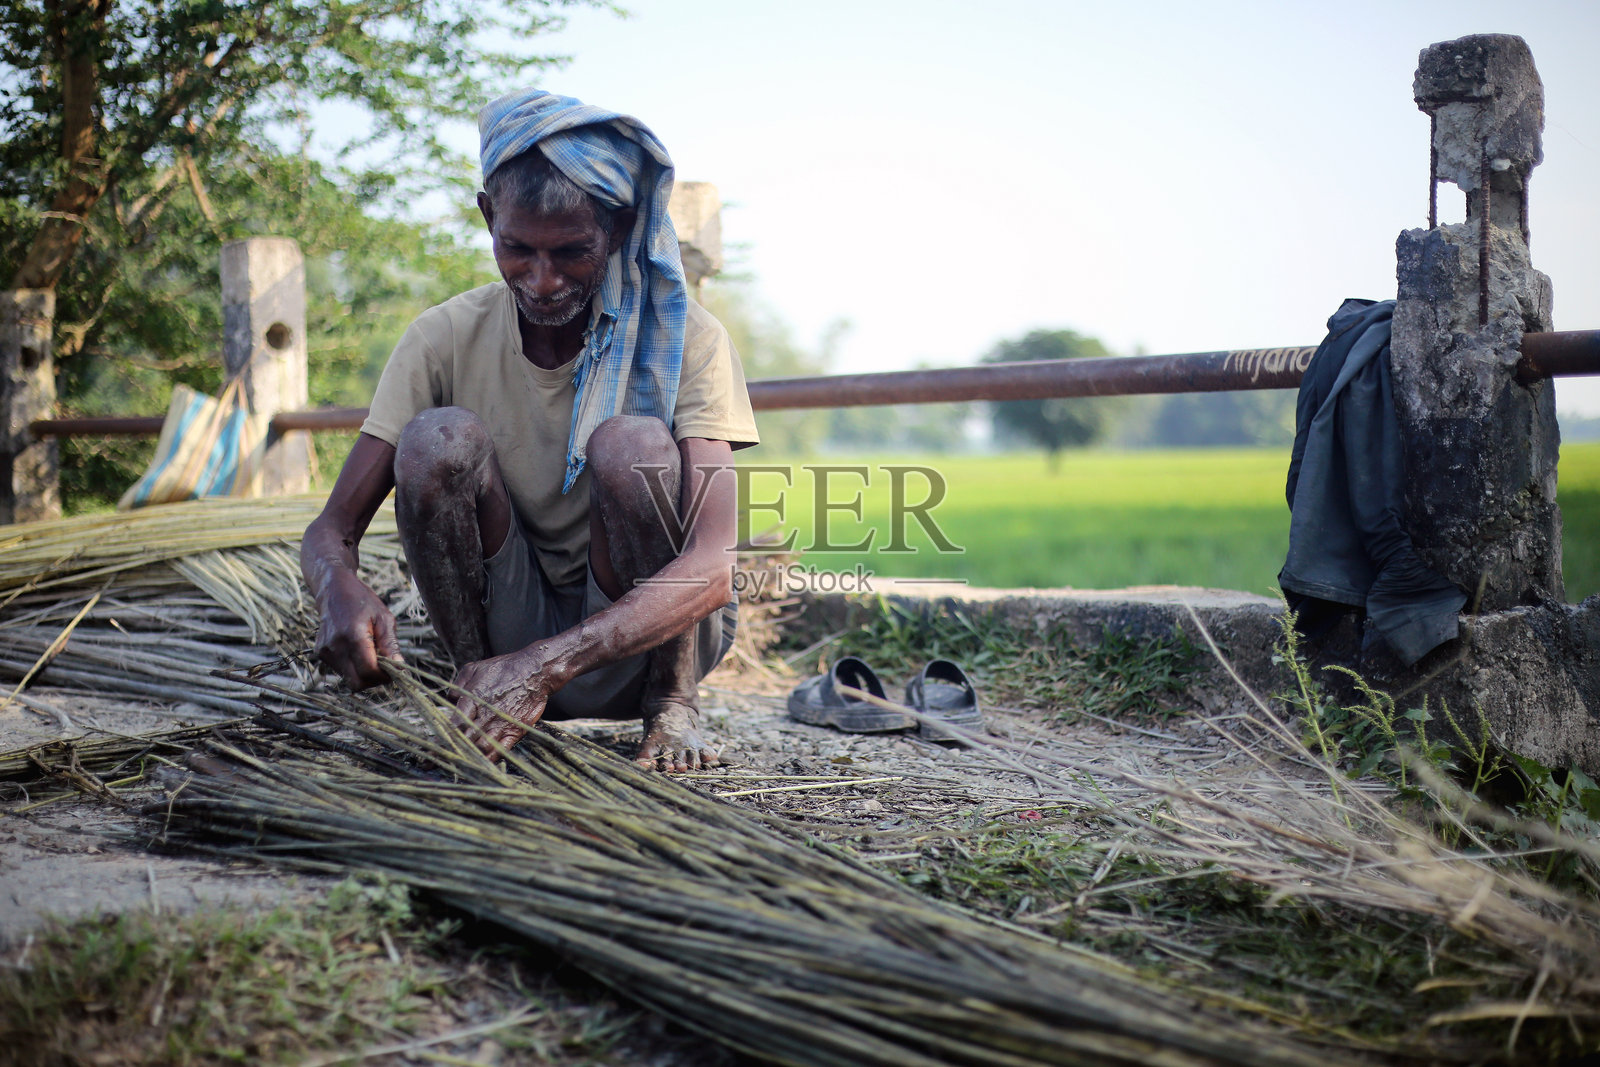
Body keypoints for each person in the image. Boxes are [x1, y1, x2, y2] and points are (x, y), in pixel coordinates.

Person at [300, 89, 759, 771]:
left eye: (573, 252)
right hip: (501, 652)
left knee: (630, 446)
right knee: (436, 439)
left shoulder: (688, 338)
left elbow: (716, 564)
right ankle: (474, 683)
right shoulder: (442, 338)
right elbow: (330, 531)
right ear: (488, 216)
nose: (542, 281)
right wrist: (337, 583)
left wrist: (544, 665)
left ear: (619, 228)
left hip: (646, 644)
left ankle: (674, 704)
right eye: (516, 248)